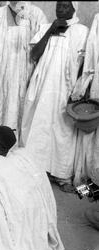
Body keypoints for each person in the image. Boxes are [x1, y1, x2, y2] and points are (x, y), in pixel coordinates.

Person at [20, 1, 89, 192]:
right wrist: (51, 30)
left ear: (74, 9)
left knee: (62, 131)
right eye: (59, 5)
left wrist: (78, 91)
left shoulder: (82, 31)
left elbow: (84, 64)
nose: (60, 8)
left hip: (65, 89)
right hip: (42, 88)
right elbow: (34, 55)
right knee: (38, 127)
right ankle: (35, 169)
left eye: (66, 5)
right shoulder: (44, 28)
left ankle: (61, 175)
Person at [0, 1, 47, 133]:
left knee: (22, 118)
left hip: (25, 79)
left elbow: (42, 52)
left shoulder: (36, 15)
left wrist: (34, 82)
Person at [71, 13, 99, 187]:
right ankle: (87, 186)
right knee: (90, 136)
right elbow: (90, 56)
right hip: (97, 84)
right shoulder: (98, 18)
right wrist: (85, 85)